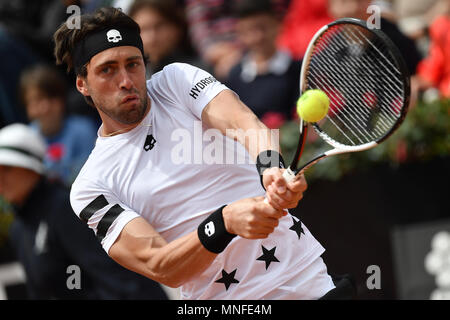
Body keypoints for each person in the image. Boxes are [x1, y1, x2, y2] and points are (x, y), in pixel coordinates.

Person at [54, 6, 348, 300]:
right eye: (107, 70)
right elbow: (161, 266)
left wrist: (270, 168)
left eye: (133, 64)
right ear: (83, 85)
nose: (126, 80)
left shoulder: (176, 80)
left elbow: (242, 122)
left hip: (308, 284)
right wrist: (224, 222)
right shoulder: (89, 188)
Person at [0, 123, 168, 299]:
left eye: (7, 168)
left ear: (31, 168)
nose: (1, 179)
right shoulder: (18, 229)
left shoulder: (67, 207)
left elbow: (116, 278)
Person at [225, 0, 301, 126]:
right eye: (250, 31)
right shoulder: (234, 75)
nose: (258, 37)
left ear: (277, 25)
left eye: (263, 27)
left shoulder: (298, 69)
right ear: (240, 34)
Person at [19, 64, 98, 186]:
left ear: (62, 100)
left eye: (51, 98)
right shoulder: (24, 140)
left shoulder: (83, 130)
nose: (45, 107)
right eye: (37, 100)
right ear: (26, 107)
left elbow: (93, 176)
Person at [128, 0, 201, 78]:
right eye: (143, 29)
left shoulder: (198, 72)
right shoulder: (130, 77)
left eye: (159, 26)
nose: (152, 37)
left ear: (177, 26)